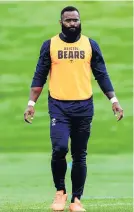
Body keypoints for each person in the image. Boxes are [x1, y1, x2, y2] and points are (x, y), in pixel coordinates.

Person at [24, 6, 124, 212]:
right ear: (61, 22)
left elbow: (101, 74)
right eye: (68, 20)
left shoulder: (90, 45)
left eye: (75, 20)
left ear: (80, 21)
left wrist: (113, 100)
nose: (72, 24)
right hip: (59, 106)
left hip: (84, 106)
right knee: (59, 148)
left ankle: (76, 199)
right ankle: (60, 192)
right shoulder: (50, 45)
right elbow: (39, 75)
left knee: (80, 154)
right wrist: (31, 104)